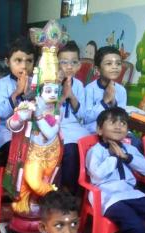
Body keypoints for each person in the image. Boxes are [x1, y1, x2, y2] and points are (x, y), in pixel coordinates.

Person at [0, 36, 35, 167]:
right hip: (7, 132)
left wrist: (30, 93)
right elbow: (1, 113)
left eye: (29, 61)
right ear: (7, 62)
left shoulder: (36, 83)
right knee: (16, 152)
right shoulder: (2, 83)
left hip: (31, 131)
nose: (24, 66)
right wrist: (17, 92)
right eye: (18, 60)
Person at [57, 40, 89, 195]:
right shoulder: (51, 83)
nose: (69, 66)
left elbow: (83, 115)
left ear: (79, 66)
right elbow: (47, 112)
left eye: (73, 62)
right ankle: (67, 192)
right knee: (70, 151)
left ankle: (85, 191)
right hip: (58, 127)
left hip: (77, 129)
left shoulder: (79, 85)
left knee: (92, 146)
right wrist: (63, 96)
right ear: (56, 64)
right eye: (64, 62)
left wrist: (73, 97)